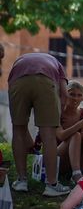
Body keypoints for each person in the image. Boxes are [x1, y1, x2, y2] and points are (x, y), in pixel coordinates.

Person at [7, 49, 71, 196]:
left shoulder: (20, 60)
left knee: (17, 129)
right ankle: (51, 184)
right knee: (48, 134)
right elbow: (64, 93)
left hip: (17, 81)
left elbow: (22, 127)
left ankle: (22, 181)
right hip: (45, 81)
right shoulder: (57, 63)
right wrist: (57, 114)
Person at [56, 81, 83, 183]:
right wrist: (82, 122)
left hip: (79, 160)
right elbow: (61, 136)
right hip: (58, 160)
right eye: (72, 94)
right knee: (75, 136)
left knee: (82, 135)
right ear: (65, 94)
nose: (75, 98)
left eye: (79, 95)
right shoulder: (57, 112)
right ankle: (76, 174)